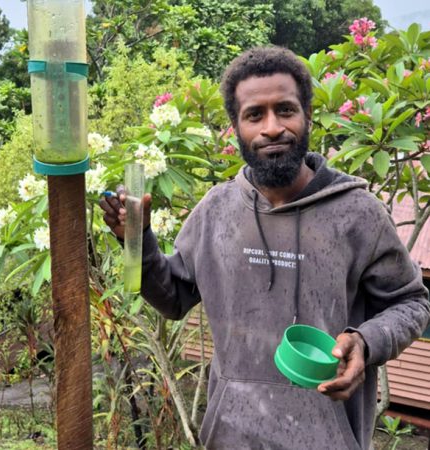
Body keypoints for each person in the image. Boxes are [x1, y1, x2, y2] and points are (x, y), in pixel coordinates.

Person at [100, 46, 430, 450]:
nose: (272, 127)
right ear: (235, 127)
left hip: (328, 439)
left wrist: (364, 341)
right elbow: (173, 297)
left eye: (285, 110)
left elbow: (412, 303)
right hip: (231, 438)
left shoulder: (357, 214)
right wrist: (136, 239)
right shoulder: (216, 210)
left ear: (308, 115)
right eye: (254, 115)